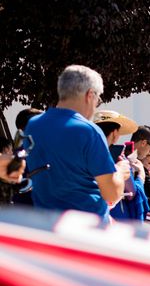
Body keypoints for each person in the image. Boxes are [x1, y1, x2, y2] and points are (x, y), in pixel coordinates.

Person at [25, 65, 130, 221]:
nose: (96, 106)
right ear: (90, 95)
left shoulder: (33, 125)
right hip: (86, 227)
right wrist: (120, 172)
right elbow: (111, 193)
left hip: (45, 223)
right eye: (98, 99)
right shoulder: (89, 131)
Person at [94, 110, 148, 221]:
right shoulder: (120, 161)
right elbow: (132, 193)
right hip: (114, 217)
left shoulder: (86, 154)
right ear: (114, 134)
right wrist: (140, 177)